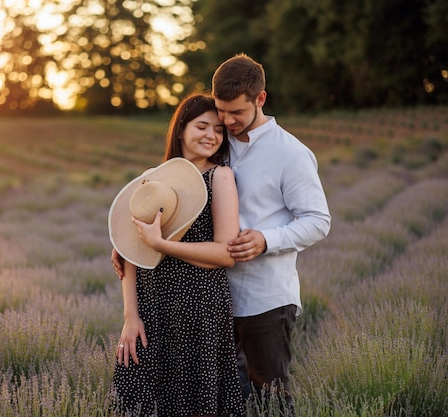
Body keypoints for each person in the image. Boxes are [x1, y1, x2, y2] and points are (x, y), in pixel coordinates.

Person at [108, 93, 245, 417]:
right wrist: (130, 317)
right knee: (140, 399)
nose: (211, 135)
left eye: (218, 129)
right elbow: (130, 253)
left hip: (199, 307)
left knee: (193, 403)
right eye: (202, 126)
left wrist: (161, 245)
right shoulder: (154, 178)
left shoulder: (220, 176)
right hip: (151, 303)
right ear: (181, 129)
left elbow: (226, 253)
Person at [211, 53, 331, 414]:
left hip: (266, 300)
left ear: (260, 99)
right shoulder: (214, 140)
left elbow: (318, 220)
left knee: (271, 400)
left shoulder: (291, 154)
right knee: (216, 396)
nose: (227, 121)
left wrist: (267, 239)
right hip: (212, 292)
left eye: (237, 113)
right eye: (221, 110)